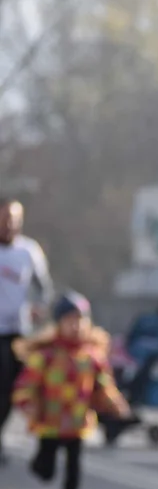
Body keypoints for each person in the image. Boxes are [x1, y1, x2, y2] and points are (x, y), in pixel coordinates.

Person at [12, 292, 129, 489]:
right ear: (59, 323)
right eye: (69, 320)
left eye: (80, 320)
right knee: (45, 471)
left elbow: (104, 385)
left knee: (74, 470)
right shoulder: (46, 355)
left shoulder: (92, 356)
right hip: (50, 423)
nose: (75, 326)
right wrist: (28, 404)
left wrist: (115, 404)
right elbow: (26, 385)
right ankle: (39, 463)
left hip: (77, 422)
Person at [0, 197, 53, 464]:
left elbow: (44, 287)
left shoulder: (28, 251)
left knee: (14, 388)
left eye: (14, 219)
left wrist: (39, 306)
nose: (9, 224)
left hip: (17, 332)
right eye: (4, 218)